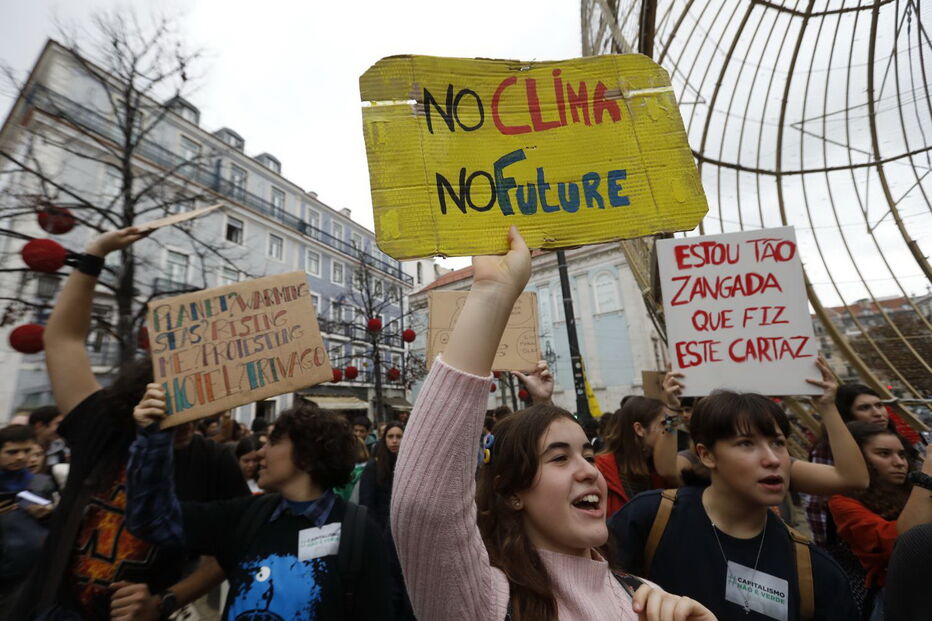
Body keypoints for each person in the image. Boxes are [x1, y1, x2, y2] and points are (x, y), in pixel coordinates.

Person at [392, 226, 714, 621]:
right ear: (512, 494)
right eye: (559, 459)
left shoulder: (649, 598)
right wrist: (492, 296)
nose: (588, 472)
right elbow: (426, 507)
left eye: (590, 456)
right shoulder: (488, 602)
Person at [9, 227, 248, 621]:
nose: (185, 420)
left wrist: (165, 601)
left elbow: (231, 550)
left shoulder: (214, 462)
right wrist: (94, 255)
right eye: (171, 405)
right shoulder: (103, 426)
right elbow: (63, 341)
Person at [126, 386, 393, 620]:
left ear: (308, 456)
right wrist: (154, 437)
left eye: (274, 441)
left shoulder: (359, 533)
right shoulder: (248, 516)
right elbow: (152, 521)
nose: (261, 451)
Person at [609, 386, 859, 620]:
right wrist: (672, 412)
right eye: (746, 443)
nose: (772, 459)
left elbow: (853, 477)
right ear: (705, 454)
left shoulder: (813, 569)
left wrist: (828, 406)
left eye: (778, 443)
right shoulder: (650, 518)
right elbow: (665, 466)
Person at [827, 423, 932, 618]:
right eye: (884, 454)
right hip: (896, 599)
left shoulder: (912, 492)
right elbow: (904, 544)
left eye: (902, 455)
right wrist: (926, 479)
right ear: (860, 459)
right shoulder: (842, 502)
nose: (899, 462)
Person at [805, 383, 918, 546]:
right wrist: (827, 548)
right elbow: (819, 503)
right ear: (846, 413)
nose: (877, 413)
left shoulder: (899, 443)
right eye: (865, 408)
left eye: (879, 405)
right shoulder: (830, 450)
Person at [595, 390, 680, 517]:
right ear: (639, 429)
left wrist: (674, 410)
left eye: (669, 425)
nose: (668, 432)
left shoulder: (661, 468)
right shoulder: (600, 470)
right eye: (663, 423)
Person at [0, 425, 54, 607]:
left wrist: (47, 514)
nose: (21, 457)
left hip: (30, 571)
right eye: (12, 452)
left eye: (27, 451)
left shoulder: (42, 483)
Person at [359, 421, 403, 533]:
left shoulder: (410, 466)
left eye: (399, 436)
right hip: (381, 529)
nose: (394, 441)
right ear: (384, 439)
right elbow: (366, 503)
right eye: (390, 436)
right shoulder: (373, 466)